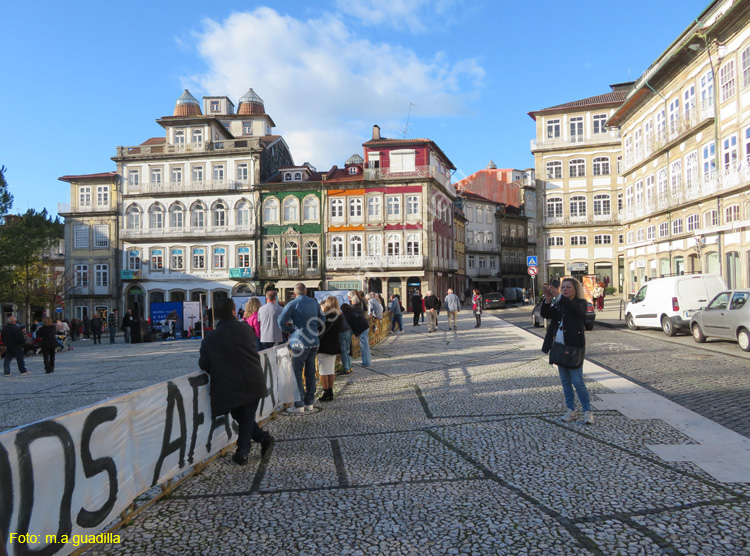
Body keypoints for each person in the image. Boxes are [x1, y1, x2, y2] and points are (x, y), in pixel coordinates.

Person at [199, 297, 274, 465]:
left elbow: (203, 363)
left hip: (230, 385)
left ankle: (243, 452)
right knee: (242, 415)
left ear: (216, 315)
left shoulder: (210, 339)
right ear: (234, 311)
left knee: (245, 416)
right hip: (253, 380)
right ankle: (264, 438)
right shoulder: (246, 329)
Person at [541, 277, 593, 425]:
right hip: (559, 347)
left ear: (576, 290)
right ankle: (571, 410)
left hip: (574, 348)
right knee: (565, 382)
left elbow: (574, 309)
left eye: (568, 287)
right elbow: (546, 314)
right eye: (563, 287)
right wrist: (548, 299)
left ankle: (587, 411)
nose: (564, 289)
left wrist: (558, 296)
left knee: (578, 382)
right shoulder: (560, 303)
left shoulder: (581, 304)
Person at [278, 283, 324, 414]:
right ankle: (310, 402)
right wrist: (314, 328)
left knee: (297, 372)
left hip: (299, 341)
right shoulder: (314, 303)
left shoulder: (292, 304)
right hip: (314, 340)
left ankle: (299, 404)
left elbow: (280, 321)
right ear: (306, 291)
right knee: (310, 371)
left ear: (294, 293)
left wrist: (291, 330)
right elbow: (323, 318)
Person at [317, 297, 345, 402]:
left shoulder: (324, 317)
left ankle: (326, 392)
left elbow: (318, 329)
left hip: (324, 345)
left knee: (323, 371)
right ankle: (330, 391)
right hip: (334, 344)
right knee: (330, 369)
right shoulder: (339, 317)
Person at [343, 290, 371, 368]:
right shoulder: (359, 304)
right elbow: (365, 310)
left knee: (363, 345)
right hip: (364, 325)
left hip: (361, 327)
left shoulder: (351, 309)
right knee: (365, 345)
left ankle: (366, 362)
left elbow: (347, 322)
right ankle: (366, 361)